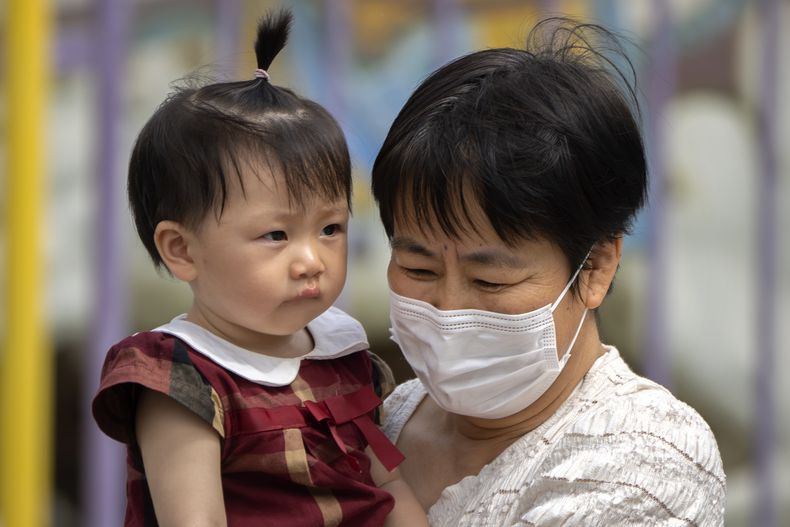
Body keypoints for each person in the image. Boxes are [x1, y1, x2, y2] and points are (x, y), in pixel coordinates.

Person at [372, 18, 726, 526]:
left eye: (490, 280)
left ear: (597, 266)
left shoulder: (643, 461)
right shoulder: (383, 417)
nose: (448, 309)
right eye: (418, 267)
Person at [92, 10, 427, 527]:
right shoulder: (184, 379)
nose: (312, 260)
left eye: (331, 229)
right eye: (276, 235)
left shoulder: (343, 354)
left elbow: (390, 486)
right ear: (182, 250)